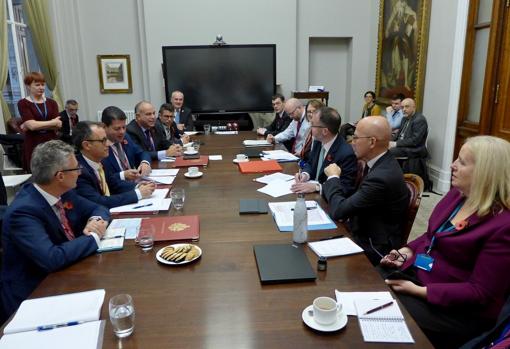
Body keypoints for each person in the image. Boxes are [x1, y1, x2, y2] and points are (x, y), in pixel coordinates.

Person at [380, 136, 510, 348]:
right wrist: (406, 251)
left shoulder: (504, 225)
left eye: (462, 162)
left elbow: (481, 293)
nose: (452, 165)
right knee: (370, 280)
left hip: (456, 311)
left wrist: (418, 291)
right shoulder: (457, 195)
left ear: (486, 174)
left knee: (387, 316)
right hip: (422, 277)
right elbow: (431, 236)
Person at [0, 140, 110, 318]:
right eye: (76, 169)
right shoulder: (23, 212)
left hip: (66, 275)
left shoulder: (62, 191)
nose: (79, 172)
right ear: (60, 176)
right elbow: (52, 258)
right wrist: (95, 236)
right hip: (34, 296)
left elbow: (99, 208)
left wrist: (95, 220)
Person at [323, 116, 409, 265]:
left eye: (356, 138)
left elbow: (339, 210)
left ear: (372, 142)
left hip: (373, 248)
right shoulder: (380, 163)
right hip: (361, 230)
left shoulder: (381, 177)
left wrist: (333, 178)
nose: (352, 142)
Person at [73, 121, 155, 208]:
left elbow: (114, 184)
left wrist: (138, 186)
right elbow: (99, 201)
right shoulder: (78, 172)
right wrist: (138, 194)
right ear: (87, 145)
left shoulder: (100, 161)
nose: (108, 144)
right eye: (103, 140)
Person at [291, 106, 356, 197]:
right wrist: (305, 174)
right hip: (310, 194)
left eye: (312, 124)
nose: (310, 127)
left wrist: (318, 187)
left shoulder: (345, 154)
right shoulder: (319, 141)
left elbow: (345, 187)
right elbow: (311, 163)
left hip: (327, 202)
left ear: (325, 131)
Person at [17, 72, 62, 170]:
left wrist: (33, 124)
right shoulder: (23, 103)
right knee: (38, 174)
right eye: (37, 85)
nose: (41, 87)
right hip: (33, 143)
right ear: (28, 86)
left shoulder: (52, 103)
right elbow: (32, 126)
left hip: (51, 142)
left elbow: (58, 124)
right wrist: (52, 122)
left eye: (43, 84)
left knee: (55, 171)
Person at [101, 106, 152, 181]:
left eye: (124, 127)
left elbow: (142, 153)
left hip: (136, 183)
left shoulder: (126, 137)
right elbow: (104, 179)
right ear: (104, 127)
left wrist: (145, 163)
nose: (122, 132)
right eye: (117, 128)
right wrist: (123, 175)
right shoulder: (100, 146)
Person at [389, 97, 430, 189]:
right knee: (383, 147)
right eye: (402, 107)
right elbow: (399, 135)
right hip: (404, 145)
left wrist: (395, 144)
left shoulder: (419, 120)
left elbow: (415, 141)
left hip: (414, 149)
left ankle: (393, 178)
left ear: (414, 107)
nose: (404, 109)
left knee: (389, 152)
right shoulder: (404, 118)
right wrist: (390, 142)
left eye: (407, 107)